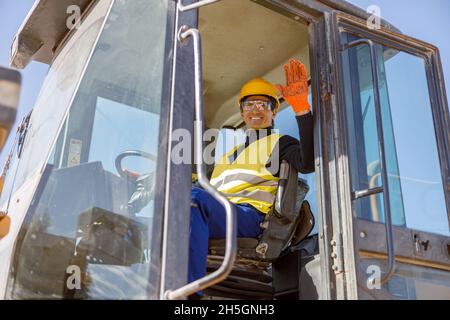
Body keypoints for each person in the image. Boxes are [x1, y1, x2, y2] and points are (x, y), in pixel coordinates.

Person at [189, 59, 314, 297]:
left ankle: (189, 296)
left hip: (251, 218)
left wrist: (302, 111)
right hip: (223, 215)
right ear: (242, 111)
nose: (255, 110)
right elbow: (202, 187)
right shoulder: (228, 155)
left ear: (273, 110)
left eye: (263, 104)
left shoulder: (280, 144)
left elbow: (307, 163)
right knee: (172, 205)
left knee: (193, 201)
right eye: (249, 104)